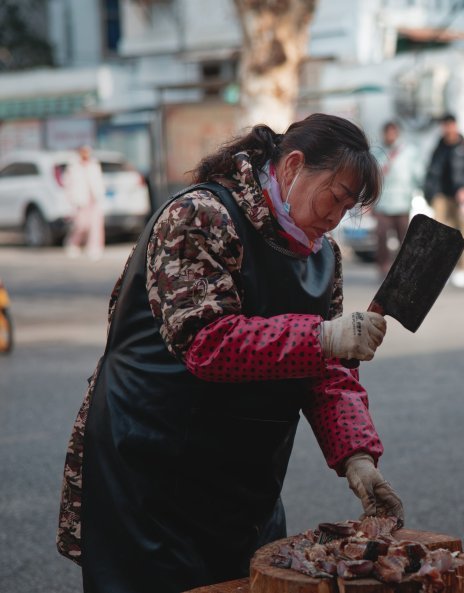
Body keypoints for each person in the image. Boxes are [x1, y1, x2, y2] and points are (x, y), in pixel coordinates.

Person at [56, 114, 404, 593]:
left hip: (243, 478)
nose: (336, 216)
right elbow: (207, 343)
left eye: (349, 207)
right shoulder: (200, 216)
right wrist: (323, 336)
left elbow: (328, 376)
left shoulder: (324, 256)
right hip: (151, 464)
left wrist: (357, 456)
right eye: (336, 196)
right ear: (293, 167)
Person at [424, 113, 464, 287]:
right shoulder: (439, 147)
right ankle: (439, 271)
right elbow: (432, 172)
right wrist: (429, 194)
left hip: (460, 195)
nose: (447, 128)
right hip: (441, 195)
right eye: (444, 125)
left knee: (463, 232)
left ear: (455, 125)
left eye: (449, 124)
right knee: (438, 233)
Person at [372, 121, 421, 277]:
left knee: (404, 238)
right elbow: (373, 176)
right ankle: (384, 268)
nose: (390, 136)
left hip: (402, 201)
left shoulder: (409, 152)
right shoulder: (377, 152)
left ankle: (405, 268)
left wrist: (416, 193)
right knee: (381, 235)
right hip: (382, 202)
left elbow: (418, 174)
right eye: (388, 132)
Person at [64, 145, 106, 260]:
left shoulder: (94, 165)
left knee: (96, 226)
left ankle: (94, 249)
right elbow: (68, 185)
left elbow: (98, 181)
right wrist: (72, 200)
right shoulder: (73, 166)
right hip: (81, 200)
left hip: (94, 200)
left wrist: (100, 195)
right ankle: (73, 243)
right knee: (81, 225)